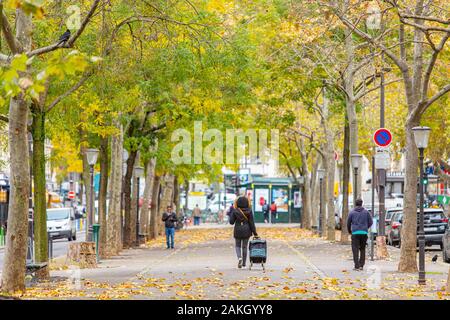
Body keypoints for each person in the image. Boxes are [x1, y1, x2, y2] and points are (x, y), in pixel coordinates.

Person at [229, 196, 258, 269]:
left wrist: (232, 212)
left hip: (238, 229)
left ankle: (239, 258)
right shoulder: (249, 211)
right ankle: (244, 263)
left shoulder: (235, 211)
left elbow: (231, 222)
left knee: (237, 245)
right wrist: (255, 233)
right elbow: (251, 223)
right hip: (247, 229)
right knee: (244, 247)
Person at [347, 198, 373, 271]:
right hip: (364, 232)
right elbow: (370, 222)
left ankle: (356, 266)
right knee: (362, 248)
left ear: (355, 204)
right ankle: (361, 265)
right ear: (362, 203)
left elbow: (348, 223)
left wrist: (350, 231)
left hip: (355, 232)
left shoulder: (351, 212)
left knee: (355, 249)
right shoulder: (366, 212)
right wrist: (365, 228)